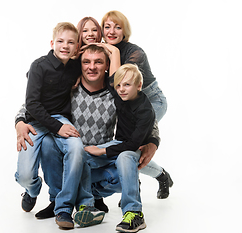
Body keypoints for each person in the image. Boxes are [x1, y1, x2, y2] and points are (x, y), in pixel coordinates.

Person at [15, 45, 161, 220]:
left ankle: (88, 198)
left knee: (124, 171)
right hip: (66, 161)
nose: (92, 67)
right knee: (47, 142)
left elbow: (143, 114)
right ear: (79, 65)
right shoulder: (68, 88)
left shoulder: (118, 91)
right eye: (86, 62)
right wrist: (20, 121)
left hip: (97, 160)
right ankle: (60, 198)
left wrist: (153, 140)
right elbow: (32, 105)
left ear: (107, 65)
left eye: (98, 62)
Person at [14, 22, 104, 229]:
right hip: (35, 122)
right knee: (26, 175)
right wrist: (53, 127)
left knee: (76, 148)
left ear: (76, 47)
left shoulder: (75, 65)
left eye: (71, 43)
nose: (65, 46)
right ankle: (32, 190)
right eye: (61, 41)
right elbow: (32, 104)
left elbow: (91, 57)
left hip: (61, 119)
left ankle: (63, 208)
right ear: (52, 43)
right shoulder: (39, 66)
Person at [100, 11, 173, 198]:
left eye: (117, 27)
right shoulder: (103, 51)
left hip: (151, 101)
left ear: (125, 31)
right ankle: (156, 176)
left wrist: (115, 52)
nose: (112, 31)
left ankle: (144, 181)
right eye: (107, 26)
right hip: (126, 106)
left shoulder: (135, 53)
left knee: (132, 148)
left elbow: (117, 84)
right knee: (129, 148)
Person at [83, 63, 156, 233]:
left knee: (124, 157)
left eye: (127, 85)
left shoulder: (145, 110)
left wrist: (102, 151)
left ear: (139, 85)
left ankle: (134, 212)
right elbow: (108, 80)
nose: (121, 89)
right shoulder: (119, 95)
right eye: (119, 85)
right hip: (118, 142)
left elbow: (132, 144)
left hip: (134, 147)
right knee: (83, 157)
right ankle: (87, 202)